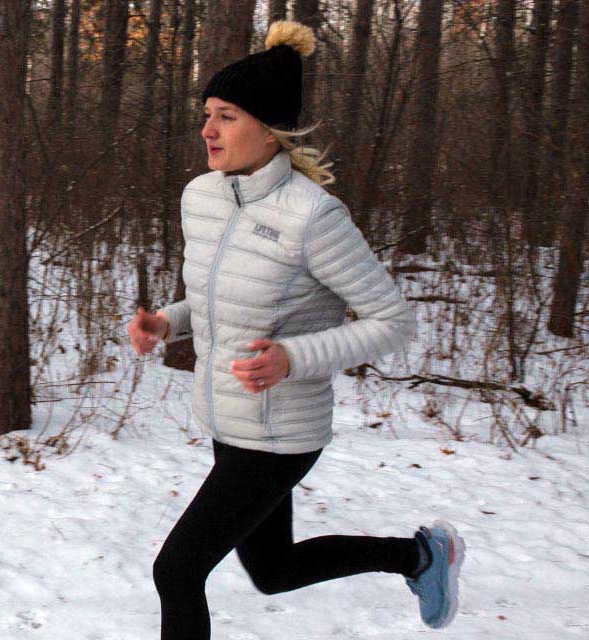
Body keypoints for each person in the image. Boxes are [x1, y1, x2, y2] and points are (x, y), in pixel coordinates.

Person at [125, 20, 466, 640]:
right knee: (274, 570)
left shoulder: (314, 217)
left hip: (283, 430)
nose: (207, 129)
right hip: (229, 419)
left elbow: (393, 321)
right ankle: (420, 556)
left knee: (177, 571)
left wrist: (292, 358)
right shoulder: (200, 197)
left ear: (268, 127)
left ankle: (420, 557)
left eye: (226, 116)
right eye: (208, 114)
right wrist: (168, 321)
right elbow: (217, 299)